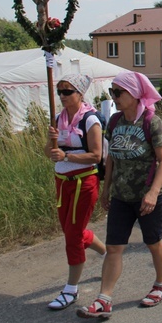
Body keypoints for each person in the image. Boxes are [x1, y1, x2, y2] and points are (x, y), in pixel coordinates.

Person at [77, 71, 162, 319]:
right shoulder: (115, 121)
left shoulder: (152, 122)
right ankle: (104, 299)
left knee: (153, 242)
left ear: (134, 94)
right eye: (112, 92)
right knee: (113, 247)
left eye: (118, 92)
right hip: (121, 195)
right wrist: (106, 188)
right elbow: (110, 158)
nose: (114, 97)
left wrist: (152, 193)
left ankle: (161, 285)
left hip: (148, 195)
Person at [45, 74, 106, 310]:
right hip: (62, 182)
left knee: (72, 236)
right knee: (72, 231)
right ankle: (107, 253)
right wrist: (50, 142)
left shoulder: (90, 121)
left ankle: (71, 289)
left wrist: (67, 155)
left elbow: (96, 155)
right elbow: (48, 153)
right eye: (59, 92)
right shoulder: (58, 118)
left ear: (80, 94)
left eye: (67, 92)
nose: (62, 96)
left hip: (84, 182)